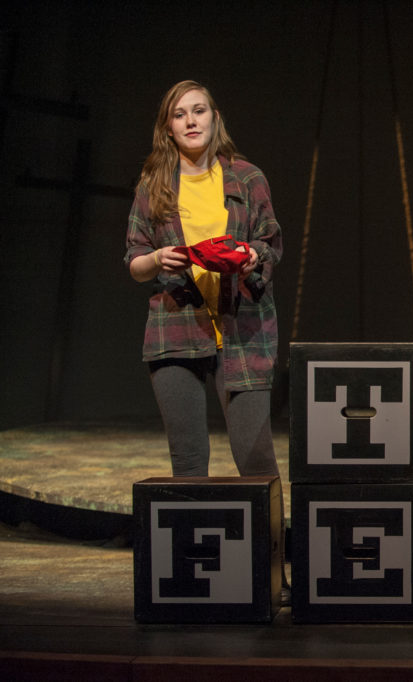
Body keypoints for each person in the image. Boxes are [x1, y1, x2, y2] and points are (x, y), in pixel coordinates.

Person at [124, 81, 287, 600]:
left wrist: (251, 255)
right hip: (176, 329)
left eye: (199, 111)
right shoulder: (155, 183)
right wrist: (158, 260)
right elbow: (134, 258)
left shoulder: (246, 176)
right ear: (167, 125)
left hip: (244, 330)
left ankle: (279, 574)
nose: (191, 121)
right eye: (179, 114)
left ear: (215, 117)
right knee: (188, 463)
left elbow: (270, 242)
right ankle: (198, 580)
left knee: (255, 458)